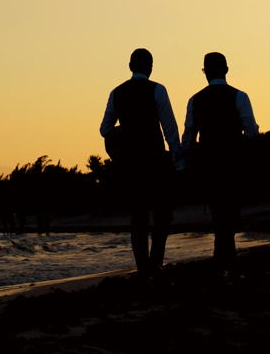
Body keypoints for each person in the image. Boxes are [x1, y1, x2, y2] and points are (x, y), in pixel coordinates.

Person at [100, 48, 180, 279]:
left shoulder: (117, 92)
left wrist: (121, 133)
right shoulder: (157, 89)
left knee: (139, 216)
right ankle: (156, 262)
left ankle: (143, 267)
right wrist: (176, 157)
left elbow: (105, 129)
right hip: (155, 160)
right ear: (150, 67)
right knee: (163, 214)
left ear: (130, 66)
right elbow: (170, 129)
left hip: (131, 164)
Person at [181, 52, 259, 282]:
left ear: (205, 72)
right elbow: (252, 132)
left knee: (219, 214)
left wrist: (186, 162)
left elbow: (188, 136)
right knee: (230, 214)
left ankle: (220, 265)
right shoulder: (240, 97)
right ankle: (227, 266)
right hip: (234, 163)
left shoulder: (195, 100)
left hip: (209, 165)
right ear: (226, 69)